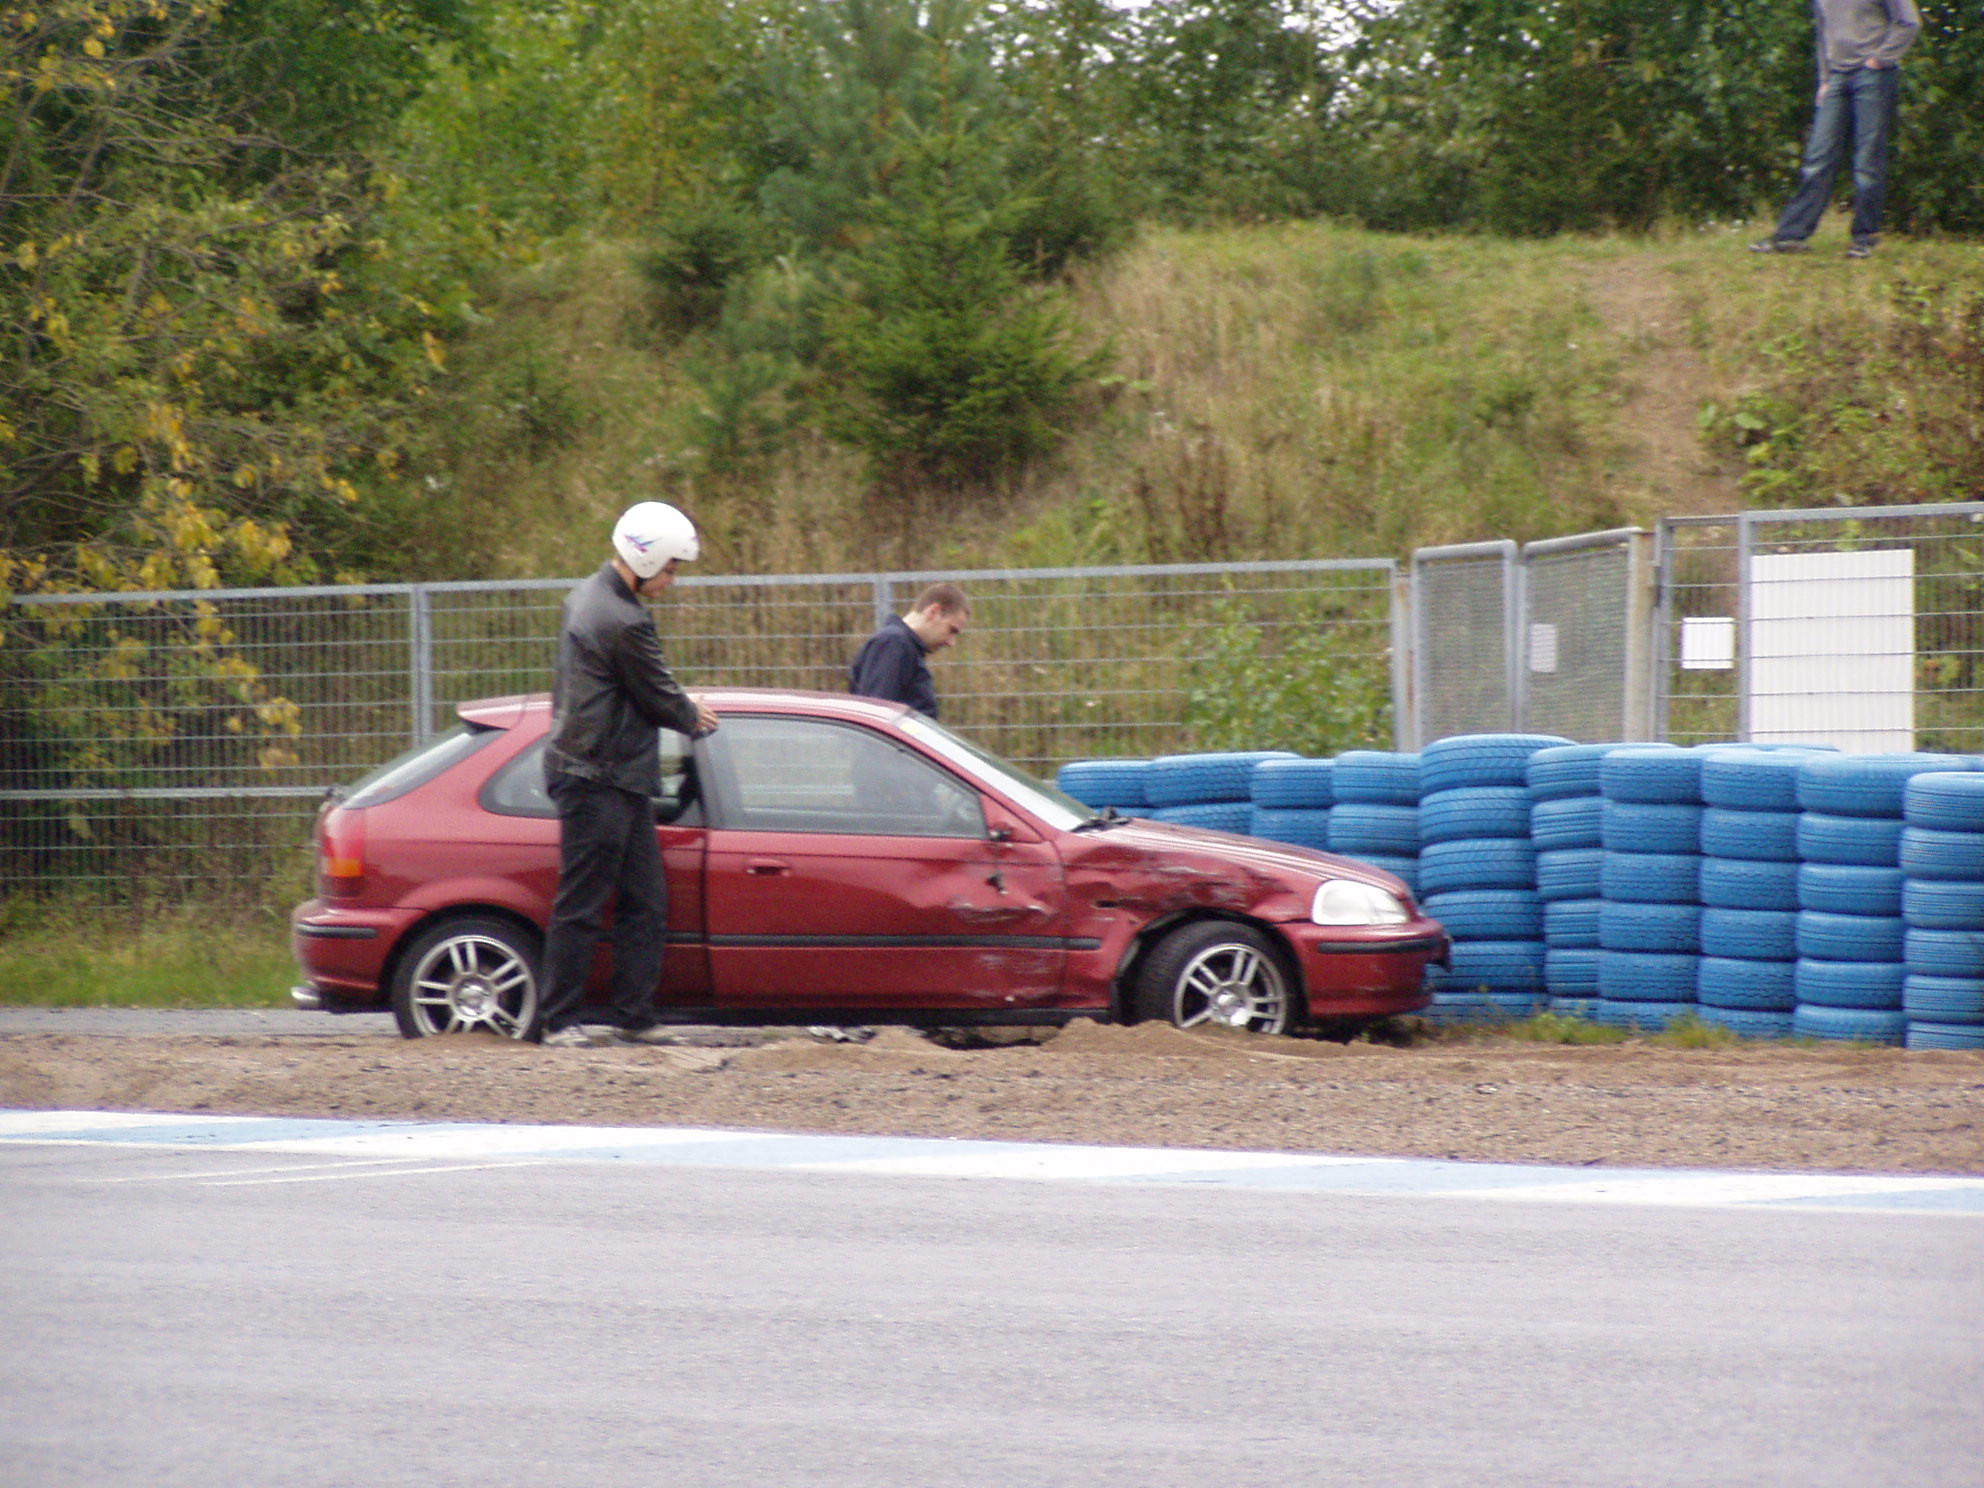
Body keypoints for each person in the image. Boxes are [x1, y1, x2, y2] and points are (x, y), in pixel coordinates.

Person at [537, 501, 721, 1048]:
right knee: (584, 902)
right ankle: (560, 1020)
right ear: (646, 561)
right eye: (669, 569)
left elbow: (636, 688)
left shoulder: (589, 596)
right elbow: (658, 692)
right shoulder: (622, 619)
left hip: (613, 774)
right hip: (597, 775)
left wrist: (677, 704)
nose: (671, 580)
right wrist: (693, 714)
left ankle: (634, 1017)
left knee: (645, 901)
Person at [1751, 0, 1921, 260]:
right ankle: (1790, 235)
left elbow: (1909, 21)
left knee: (1867, 161)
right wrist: (1825, 79)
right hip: (1837, 77)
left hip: (1872, 75)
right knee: (1817, 159)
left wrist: (1879, 59)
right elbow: (1824, 32)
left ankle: (1865, 238)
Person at [847, 582, 969, 719]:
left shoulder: (904, 647)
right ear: (933, 612)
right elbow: (876, 717)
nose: (951, 643)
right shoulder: (893, 644)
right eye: (951, 630)